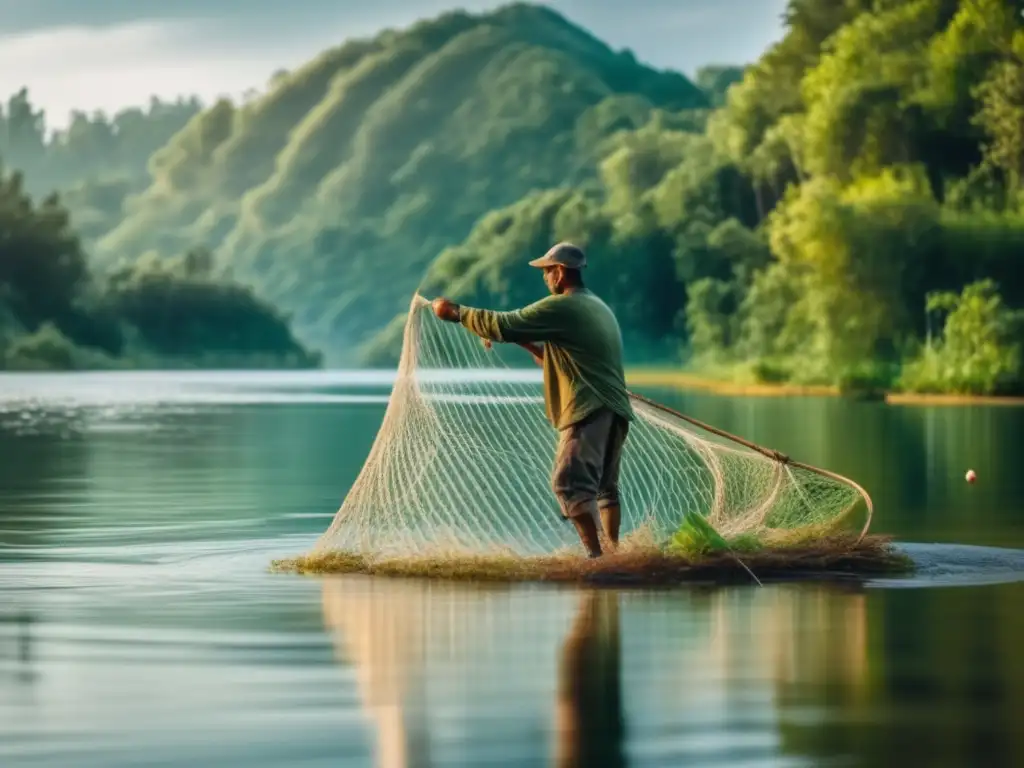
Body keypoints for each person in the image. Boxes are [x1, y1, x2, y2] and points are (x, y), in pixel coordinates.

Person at [431, 242, 633, 558]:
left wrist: (455, 312)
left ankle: (600, 559)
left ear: (561, 272)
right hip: (614, 410)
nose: (544, 277)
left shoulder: (563, 307)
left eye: (547, 270)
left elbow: (503, 324)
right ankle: (615, 555)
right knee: (604, 489)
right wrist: (525, 342)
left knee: (568, 484)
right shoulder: (595, 306)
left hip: (590, 410)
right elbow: (557, 360)